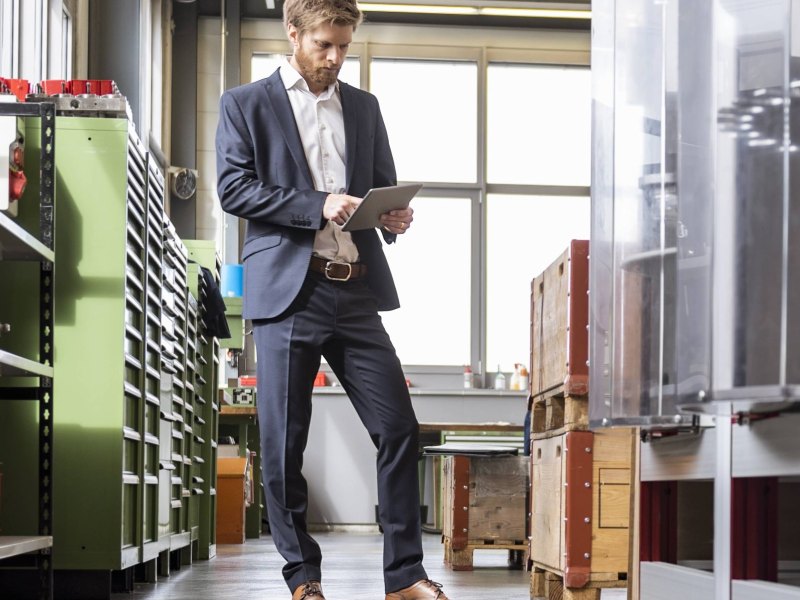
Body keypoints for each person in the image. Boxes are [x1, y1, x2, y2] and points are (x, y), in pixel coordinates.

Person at [215, 0, 449, 598]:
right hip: (289, 291)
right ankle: (304, 577)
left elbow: (380, 188)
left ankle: (405, 577)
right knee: (284, 443)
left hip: (356, 288)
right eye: (324, 44)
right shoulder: (245, 103)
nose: (335, 57)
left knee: (399, 429)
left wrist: (394, 217)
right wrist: (314, 204)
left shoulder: (365, 107)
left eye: (344, 45)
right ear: (292, 33)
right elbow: (233, 188)